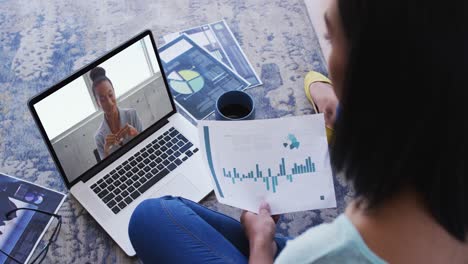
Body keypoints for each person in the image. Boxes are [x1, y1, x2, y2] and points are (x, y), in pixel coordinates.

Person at [128, 0, 468, 263]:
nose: (328, 55)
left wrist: (261, 246)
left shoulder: (319, 253)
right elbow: (314, 79)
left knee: (149, 218)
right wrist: (334, 99)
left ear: (368, 74)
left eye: (330, 39)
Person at [91, 67, 143, 159]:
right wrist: (106, 151)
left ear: (114, 92)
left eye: (110, 95)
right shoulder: (99, 137)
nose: (110, 103)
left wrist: (136, 134)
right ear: (97, 103)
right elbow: (106, 170)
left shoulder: (132, 115)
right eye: (102, 100)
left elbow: (147, 145)